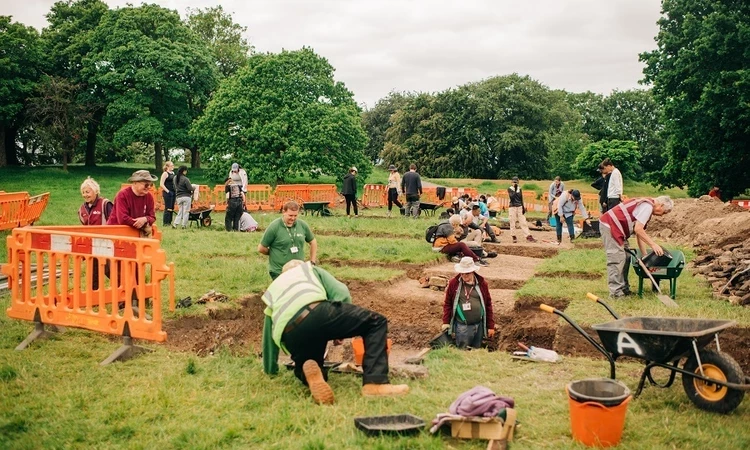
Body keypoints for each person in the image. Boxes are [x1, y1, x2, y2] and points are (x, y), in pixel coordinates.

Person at [262, 260, 409, 404]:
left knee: (308, 362)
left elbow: (268, 333)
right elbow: (341, 291)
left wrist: (270, 369)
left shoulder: (274, 288)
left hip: (290, 333)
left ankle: (311, 374)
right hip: (315, 312)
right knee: (376, 322)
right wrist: (339, 331)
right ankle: (376, 383)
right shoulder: (308, 269)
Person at [599, 196, 674, 298]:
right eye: (664, 212)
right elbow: (639, 229)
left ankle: (624, 289)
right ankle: (616, 293)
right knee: (616, 259)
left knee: (626, 257)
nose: (662, 216)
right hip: (610, 226)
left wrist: (644, 255)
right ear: (661, 205)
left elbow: (639, 233)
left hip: (619, 229)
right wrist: (653, 245)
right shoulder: (647, 207)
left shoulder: (648, 206)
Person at [107, 170, 158, 317]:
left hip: (135, 238)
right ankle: (122, 300)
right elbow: (122, 218)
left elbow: (152, 216)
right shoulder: (122, 195)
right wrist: (141, 223)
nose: (148, 187)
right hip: (116, 235)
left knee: (135, 267)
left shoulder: (148, 197)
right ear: (135, 183)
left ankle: (134, 301)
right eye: (145, 184)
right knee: (116, 269)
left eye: (150, 184)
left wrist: (145, 220)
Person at [441, 257, 495, 349]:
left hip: (479, 325)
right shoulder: (454, 283)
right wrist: (446, 322)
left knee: (476, 351)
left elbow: (488, 305)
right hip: (462, 327)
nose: (464, 276)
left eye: (467, 273)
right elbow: (448, 304)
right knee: (462, 351)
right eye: (462, 273)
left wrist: (490, 326)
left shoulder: (482, 284)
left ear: (473, 271)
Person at [258, 201, 318, 280]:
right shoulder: (274, 227)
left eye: (295, 215)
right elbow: (261, 248)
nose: (293, 218)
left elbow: (313, 242)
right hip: (279, 271)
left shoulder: (302, 225)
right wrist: (273, 253)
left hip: (299, 271)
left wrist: (312, 262)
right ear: (284, 212)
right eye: (290, 215)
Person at [78, 177, 114, 291]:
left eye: (87, 192)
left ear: (95, 191)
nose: (85, 195)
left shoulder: (105, 204)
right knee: (93, 271)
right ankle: (94, 296)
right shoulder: (82, 209)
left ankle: (125, 293)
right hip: (91, 245)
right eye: (83, 192)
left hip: (106, 244)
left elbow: (114, 222)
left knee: (111, 271)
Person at [507, 177, 536, 243]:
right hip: (512, 207)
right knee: (512, 221)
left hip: (519, 206)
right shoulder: (510, 189)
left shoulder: (519, 189)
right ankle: (513, 235)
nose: (515, 183)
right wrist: (515, 189)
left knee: (523, 222)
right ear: (511, 182)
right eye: (514, 182)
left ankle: (528, 235)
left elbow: (521, 199)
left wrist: (523, 207)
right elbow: (512, 197)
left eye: (516, 182)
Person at [159, 161, 176, 226]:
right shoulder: (165, 174)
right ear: (167, 167)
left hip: (173, 191)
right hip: (167, 192)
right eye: (171, 166)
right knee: (168, 207)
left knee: (172, 207)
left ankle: (169, 221)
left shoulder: (173, 173)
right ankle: (165, 222)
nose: (172, 167)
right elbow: (161, 184)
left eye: (173, 165)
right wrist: (168, 191)